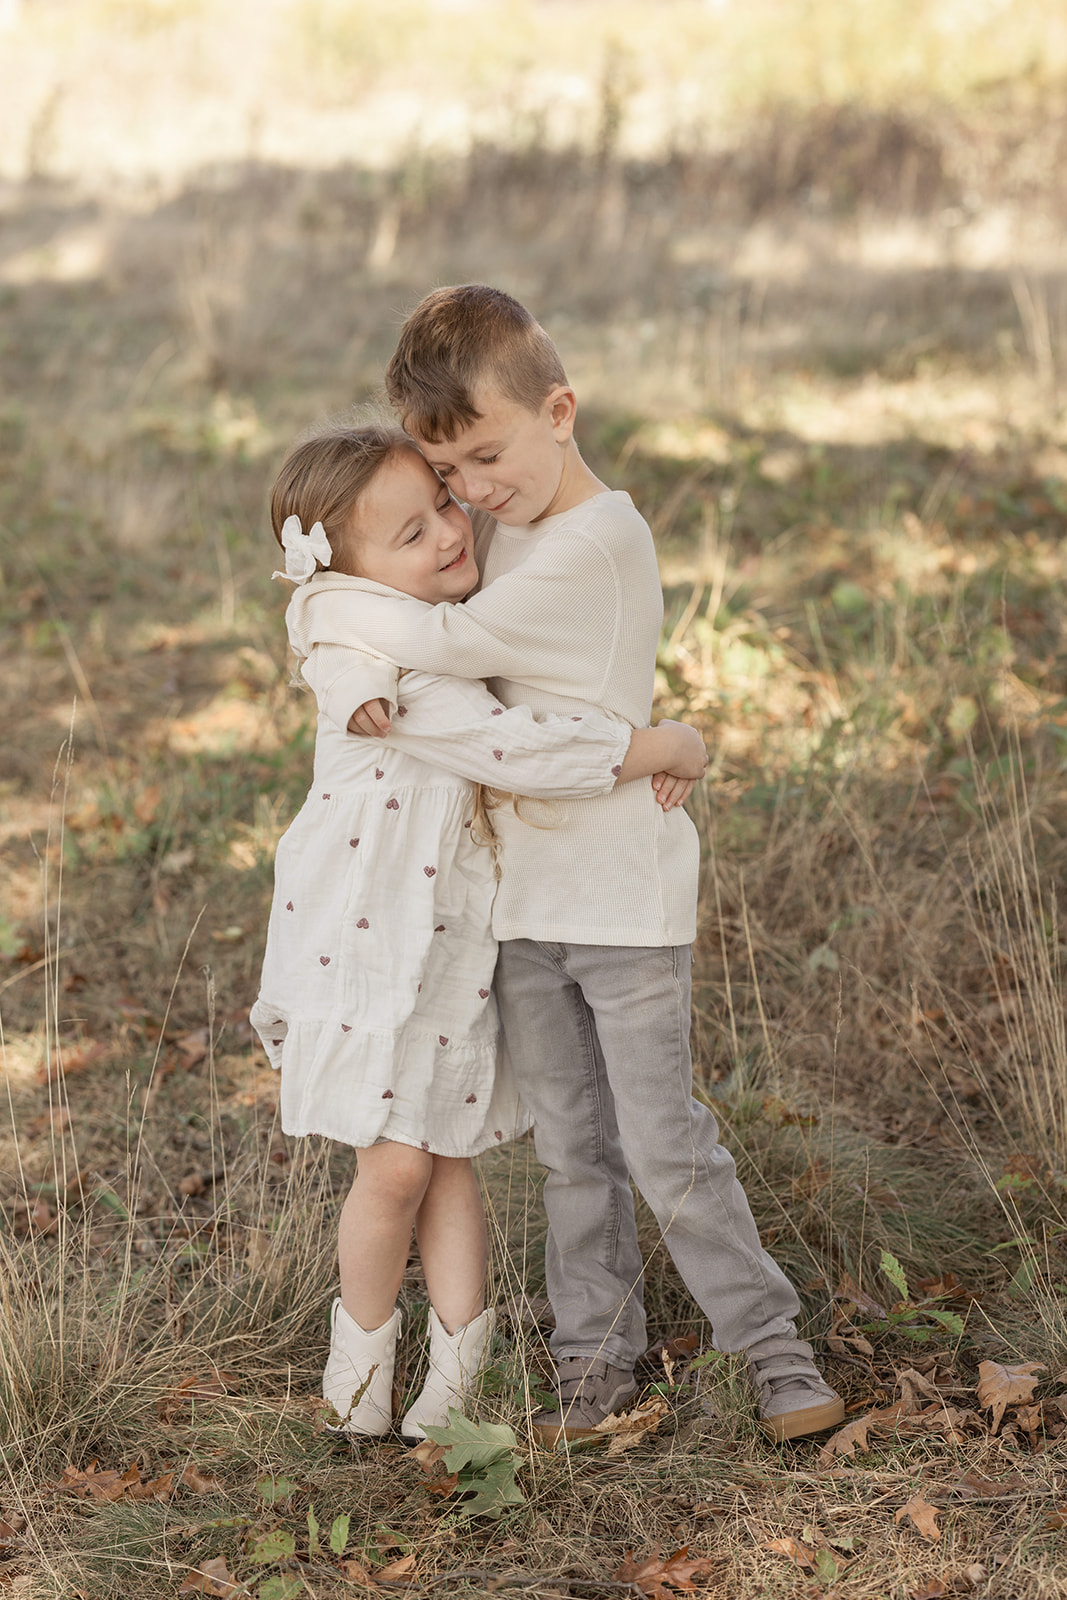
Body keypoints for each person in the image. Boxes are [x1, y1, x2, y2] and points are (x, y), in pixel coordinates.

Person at [305, 287, 846, 1445]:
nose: (472, 495)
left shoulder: (599, 538)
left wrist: (319, 601)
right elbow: (439, 619)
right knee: (568, 1151)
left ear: (560, 409)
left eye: (488, 455)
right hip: (516, 898)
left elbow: (442, 646)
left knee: (661, 1140)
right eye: (450, 475)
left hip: (618, 894)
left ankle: (775, 1357)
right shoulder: (504, 521)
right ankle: (595, 1366)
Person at [250, 420, 709, 1444]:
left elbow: (514, 706)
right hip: (368, 945)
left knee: (447, 1152)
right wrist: (661, 743)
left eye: (444, 505)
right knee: (397, 1164)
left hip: (454, 946)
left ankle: (458, 1368)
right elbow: (519, 750)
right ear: (355, 579)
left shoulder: (426, 642)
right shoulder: (392, 671)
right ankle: (357, 1363)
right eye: (410, 533)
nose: (451, 533)